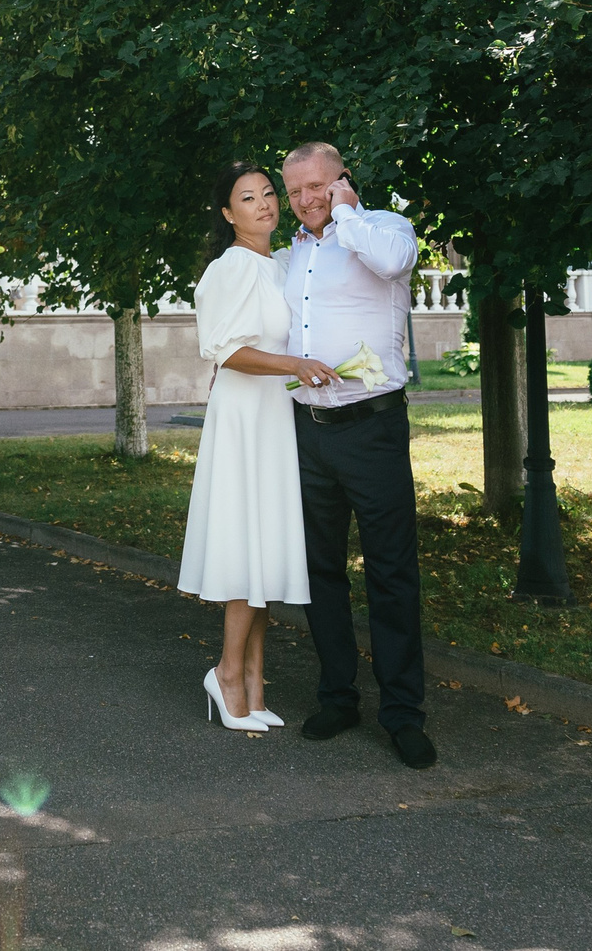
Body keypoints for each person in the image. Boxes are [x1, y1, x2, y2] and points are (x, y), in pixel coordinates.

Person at [278, 141, 438, 769]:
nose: (307, 200)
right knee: (320, 572)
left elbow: (396, 261)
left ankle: (402, 714)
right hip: (309, 429)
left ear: (343, 179)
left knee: (391, 573)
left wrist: (346, 213)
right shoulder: (293, 252)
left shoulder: (383, 229)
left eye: (318, 185)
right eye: (296, 191)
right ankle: (338, 697)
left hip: (373, 429)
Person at [179, 162, 326, 734]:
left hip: (276, 417)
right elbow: (226, 351)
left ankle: (255, 683)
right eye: (248, 198)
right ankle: (226, 674)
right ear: (227, 213)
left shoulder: (282, 263)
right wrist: (296, 365)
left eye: (269, 193)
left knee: (266, 551)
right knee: (246, 550)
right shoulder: (231, 267)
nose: (264, 204)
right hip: (244, 416)